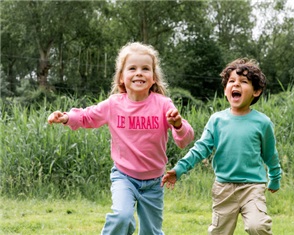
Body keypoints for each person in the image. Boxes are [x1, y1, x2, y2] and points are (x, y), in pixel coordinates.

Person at [47, 42, 194, 235]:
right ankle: (124, 226)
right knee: (122, 217)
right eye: (132, 68)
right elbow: (88, 116)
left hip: (154, 182)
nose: (139, 73)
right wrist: (67, 117)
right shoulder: (114, 104)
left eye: (145, 69)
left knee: (151, 231)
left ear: (153, 78)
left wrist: (177, 124)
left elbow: (185, 139)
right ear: (122, 78)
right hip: (124, 176)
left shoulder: (163, 105)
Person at [161, 58, 282, 235]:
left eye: (243, 82)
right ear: (226, 90)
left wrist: (275, 177)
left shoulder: (262, 123)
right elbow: (200, 149)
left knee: (258, 226)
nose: (236, 85)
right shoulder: (217, 121)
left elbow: (270, 154)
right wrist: (179, 169)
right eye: (231, 81)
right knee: (219, 232)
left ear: (256, 91)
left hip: (252, 187)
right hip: (224, 187)